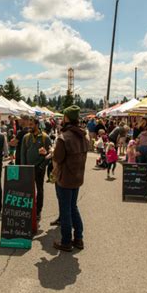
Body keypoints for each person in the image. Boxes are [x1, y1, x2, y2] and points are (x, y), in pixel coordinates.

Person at [52, 105, 88, 252]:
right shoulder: (83, 135)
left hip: (65, 178)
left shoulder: (64, 137)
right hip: (77, 177)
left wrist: (52, 151)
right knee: (73, 207)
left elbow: (57, 158)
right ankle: (78, 238)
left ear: (67, 118)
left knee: (66, 210)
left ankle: (66, 241)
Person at [21, 117, 51, 220]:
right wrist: (23, 167)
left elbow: (50, 153)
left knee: (40, 189)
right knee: (27, 190)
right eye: (29, 124)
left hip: (39, 168)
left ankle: (38, 211)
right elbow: (23, 154)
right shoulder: (26, 137)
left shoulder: (45, 137)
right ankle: (28, 209)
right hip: (28, 168)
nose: (29, 126)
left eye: (31, 124)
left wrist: (43, 166)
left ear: (37, 125)